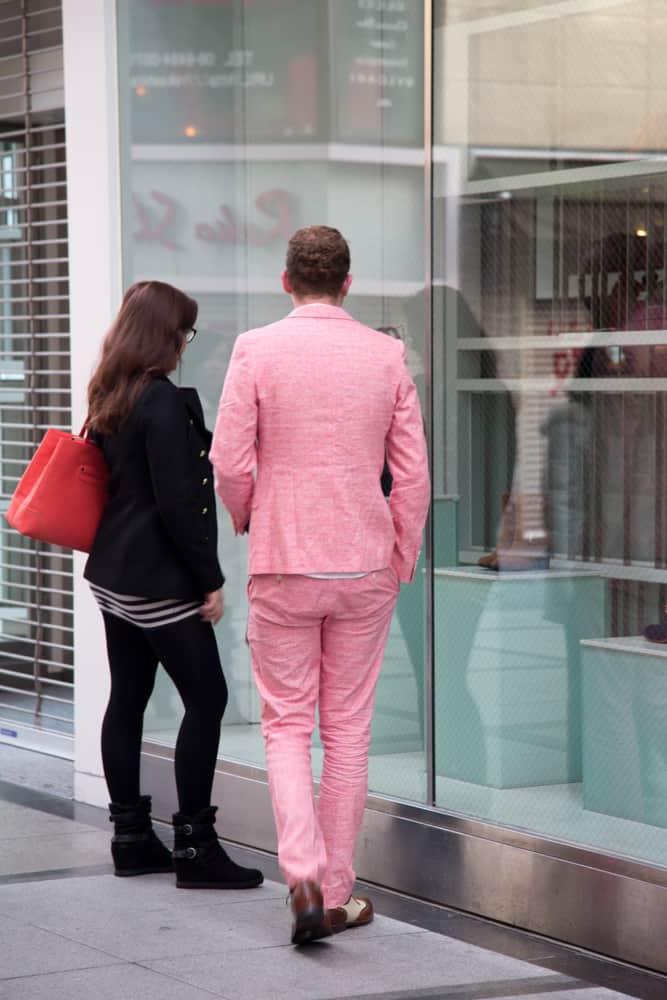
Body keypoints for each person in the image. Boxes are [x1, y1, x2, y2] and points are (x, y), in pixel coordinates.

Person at [210, 227, 430, 944]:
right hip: (364, 562)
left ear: (285, 281)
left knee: (284, 725)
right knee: (348, 730)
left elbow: (229, 461)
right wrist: (402, 555)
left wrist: (249, 517)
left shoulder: (254, 349)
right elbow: (414, 474)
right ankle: (337, 894)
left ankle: (302, 876)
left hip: (284, 558)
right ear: (346, 283)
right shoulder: (386, 353)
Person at [84, 280, 263, 891]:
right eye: (184, 332)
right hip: (158, 581)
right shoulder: (160, 401)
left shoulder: (109, 392)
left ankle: (131, 839)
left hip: (114, 576)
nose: (187, 344)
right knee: (208, 699)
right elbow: (179, 506)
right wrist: (209, 582)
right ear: (165, 334)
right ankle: (195, 848)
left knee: (127, 698)